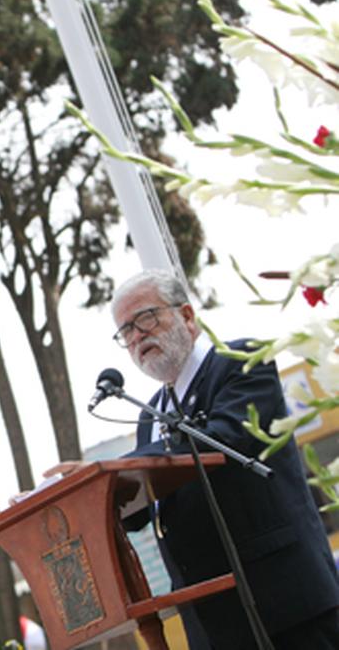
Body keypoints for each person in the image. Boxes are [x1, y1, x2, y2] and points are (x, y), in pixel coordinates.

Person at [111, 268, 339, 649]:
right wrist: (98, 491)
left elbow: (225, 441)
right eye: (126, 331)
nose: (136, 336)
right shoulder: (149, 416)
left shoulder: (241, 362)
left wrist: (123, 468)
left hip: (288, 604)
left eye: (146, 318)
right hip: (214, 625)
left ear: (186, 315)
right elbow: (141, 509)